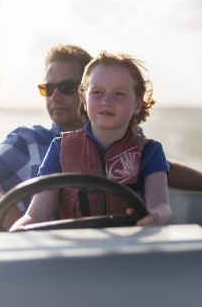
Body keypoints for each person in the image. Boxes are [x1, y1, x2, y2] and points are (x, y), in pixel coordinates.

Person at [0, 45, 202, 230]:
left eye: (66, 86)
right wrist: (15, 222)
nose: (56, 95)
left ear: (137, 104)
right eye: (49, 88)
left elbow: (163, 175)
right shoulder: (41, 144)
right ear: (87, 96)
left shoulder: (141, 145)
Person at [10, 51, 171, 230]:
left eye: (119, 94)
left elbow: (161, 207)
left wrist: (155, 215)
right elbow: (35, 215)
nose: (106, 101)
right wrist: (18, 230)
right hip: (74, 252)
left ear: (138, 104)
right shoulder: (59, 148)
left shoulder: (150, 152)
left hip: (128, 250)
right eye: (98, 92)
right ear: (84, 101)